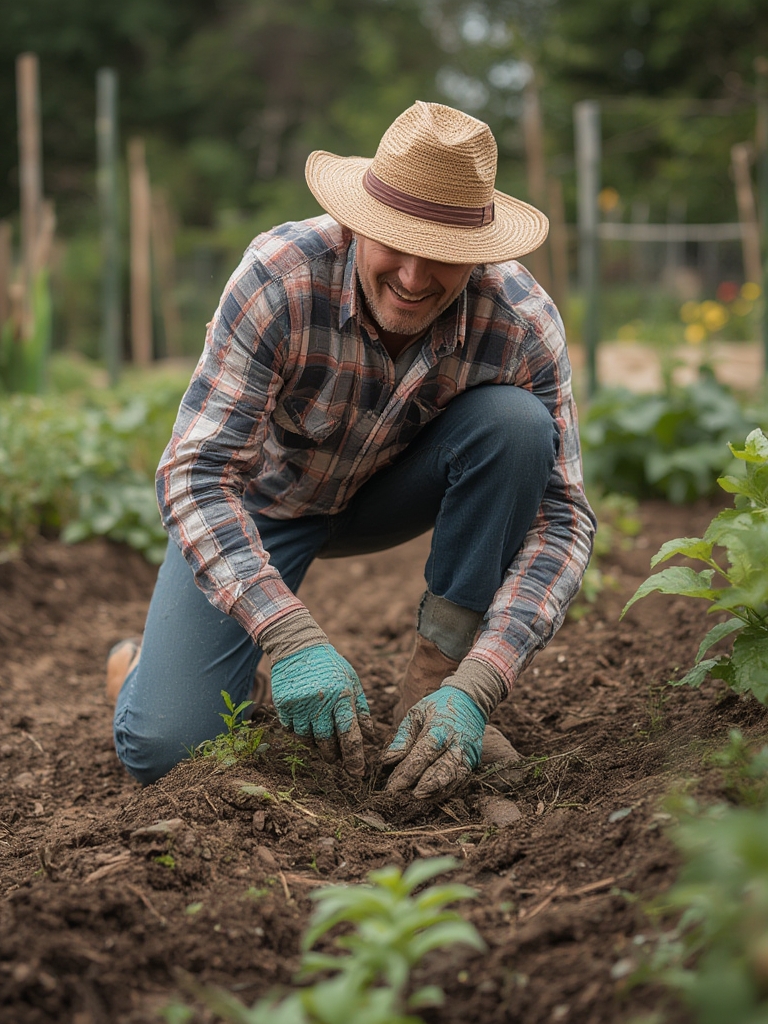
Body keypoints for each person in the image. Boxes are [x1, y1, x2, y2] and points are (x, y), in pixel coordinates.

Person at [106, 100, 596, 799]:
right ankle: (139, 668)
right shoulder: (280, 280)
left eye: (446, 257)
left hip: (396, 494)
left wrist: (481, 680)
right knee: (166, 748)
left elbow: (564, 520)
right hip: (267, 508)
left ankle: (429, 692)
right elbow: (197, 473)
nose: (415, 277)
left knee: (517, 427)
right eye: (396, 243)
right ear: (357, 223)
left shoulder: (519, 320)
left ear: (480, 254)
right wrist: (289, 635)